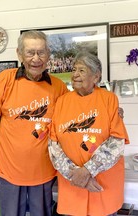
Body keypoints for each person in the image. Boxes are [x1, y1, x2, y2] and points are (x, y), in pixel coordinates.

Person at [0, 30, 68, 216]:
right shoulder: (5, 79)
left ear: (48, 55)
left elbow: (73, 119)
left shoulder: (59, 87)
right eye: (30, 52)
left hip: (44, 173)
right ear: (20, 54)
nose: (36, 58)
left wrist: (110, 112)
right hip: (8, 173)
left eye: (41, 52)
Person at [48, 51, 130, 216]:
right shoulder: (62, 101)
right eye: (74, 70)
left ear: (96, 76)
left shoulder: (109, 99)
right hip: (73, 186)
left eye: (82, 70)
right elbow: (53, 146)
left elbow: (116, 142)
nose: (75, 75)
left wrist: (86, 171)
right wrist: (77, 177)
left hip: (102, 186)